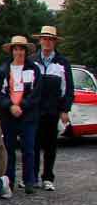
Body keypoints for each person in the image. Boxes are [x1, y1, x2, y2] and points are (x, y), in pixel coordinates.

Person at [0, 36, 42, 193]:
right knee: (8, 149)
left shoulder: (34, 69)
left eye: (22, 49)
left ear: (26, 51)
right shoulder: (3, 69)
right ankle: (9, 181)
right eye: (16, 49)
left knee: (29, 149)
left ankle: (29, 181)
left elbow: (36, 93)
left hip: (28, 115)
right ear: (11, 51)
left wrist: (21, 106)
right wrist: (10, 106)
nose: (19, 52)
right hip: (8, 115)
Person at [30, 26, 73, 192]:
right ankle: (32, 177)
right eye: (44, 39)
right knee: (33, 145)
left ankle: (48, 177)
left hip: (53, 110)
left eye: (50, 39)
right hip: (34, 110)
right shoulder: (32, 60)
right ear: (40, 41)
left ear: (54, 42)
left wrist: (65, 110)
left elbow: (68, 89)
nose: (47, 42)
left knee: (50, 146)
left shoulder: (62, 63)